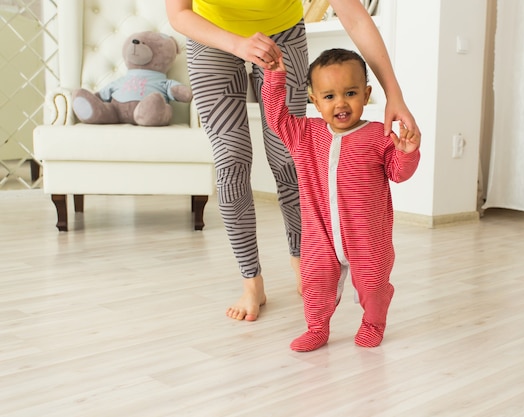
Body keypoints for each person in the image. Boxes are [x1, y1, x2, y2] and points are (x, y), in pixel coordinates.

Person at [165, 0, 420, 322]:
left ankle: (304, 263)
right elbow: (178, 13)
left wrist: (393, 93)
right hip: (211, 35)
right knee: (231, 160)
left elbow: (355, 18)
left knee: (289, 159)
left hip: (283, 32)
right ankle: (251, 282)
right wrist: (238, 44)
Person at [262, 48, 420, 351]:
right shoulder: (304, 133)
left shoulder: (379, 135)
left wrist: (407, 152)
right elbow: (275, 116)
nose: (341, 103)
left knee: (373, 286)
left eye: (350, 93)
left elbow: (398, 174)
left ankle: (374, 322)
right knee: (315, 284)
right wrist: (273, 77)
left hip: (367, 238)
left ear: (366, 94)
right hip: (319, 234)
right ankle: (317, 328)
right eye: (330, 96)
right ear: (315, 100)